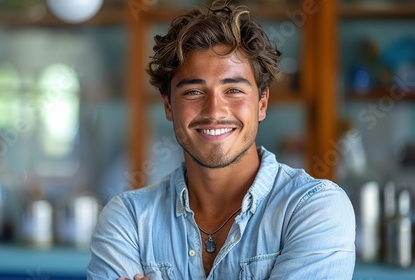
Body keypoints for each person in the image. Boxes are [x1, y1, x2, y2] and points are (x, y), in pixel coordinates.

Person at [87, 1, 356, 279]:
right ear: (168, 105)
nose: (214, 111)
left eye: (234, 90)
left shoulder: (313, 208)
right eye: (193, 92)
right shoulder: (128, 220)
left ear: (262, 103)